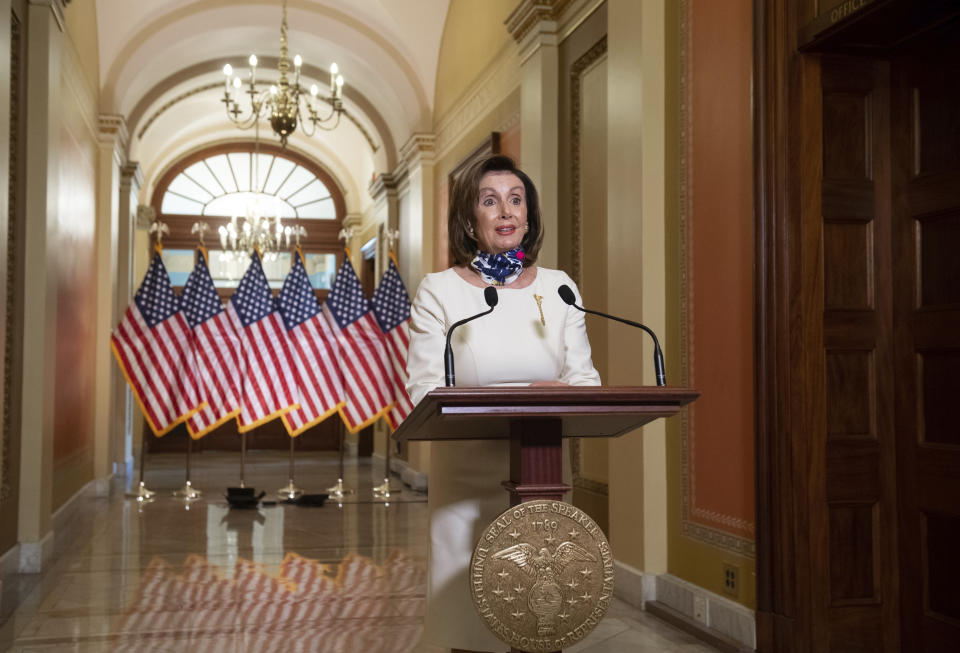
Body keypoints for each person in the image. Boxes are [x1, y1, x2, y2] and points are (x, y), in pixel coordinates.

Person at [406, 154, 601, 653]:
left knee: (539, 615)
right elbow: (424, 392)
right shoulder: (441, 291)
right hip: (465, 482)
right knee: (467, 624)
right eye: (489, 201)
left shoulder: (559, 288)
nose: (505, 211)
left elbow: (585, 381)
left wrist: (561, 394)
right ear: (470, 221)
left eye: (516, 200)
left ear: (529, 217)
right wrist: (527, 395)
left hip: (542, 478)